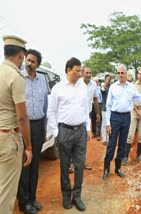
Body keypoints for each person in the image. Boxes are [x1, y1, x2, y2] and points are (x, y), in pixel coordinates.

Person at [47, 57, 91, 211]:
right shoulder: (58, 88)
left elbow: (86, 109)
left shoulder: (82, 87)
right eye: (77, 71)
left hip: (80, 132)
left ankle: (77, 196)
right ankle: (66, 196)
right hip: (64, 131)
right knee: (65, 166)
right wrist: (57, 132)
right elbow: (51, 111)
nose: (80, 74)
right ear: (68, 70)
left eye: (80, 71)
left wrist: (87, 128)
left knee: (79, 165)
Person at [102, 64, 141, 180]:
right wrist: (107, 124)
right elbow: (108, 106)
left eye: (122, 73)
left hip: (126, 117)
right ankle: (106, 169)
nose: (120, 75)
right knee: (112, 143)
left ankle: (118, 168)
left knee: (122, 143)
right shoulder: (113, 87)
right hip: (115, 118)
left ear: (126, 74)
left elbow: (140, 99)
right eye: (119, 73)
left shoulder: (131, 87)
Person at [0, 35, 32, 214]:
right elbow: (21, 118)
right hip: (8, 138)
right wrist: (28, 146)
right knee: (6, 193)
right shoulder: (15, 76)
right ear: (21, 54)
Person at [17, 49, 48, 214]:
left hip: (38, 126)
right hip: (23, 127)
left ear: (38, 64)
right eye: (28, 60)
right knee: (24, 165)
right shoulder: (19, 78)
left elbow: (45, 105)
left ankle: (32, 198)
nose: (29, 64)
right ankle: (23, 203)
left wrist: (44, 127)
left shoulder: (42, 80)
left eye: (33, 61)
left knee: (35, 165)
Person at [123, 67, 141, 165]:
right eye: (140, 73)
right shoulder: (132, 86)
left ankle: (138, 155)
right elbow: (130, 100)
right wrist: (137, 111)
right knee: (130, 134)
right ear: (137, 75)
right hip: (134, 111)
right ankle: (125, 157)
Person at [81, 66, 100, 170]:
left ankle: (83, 162)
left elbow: (95, 99)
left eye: (90, 73)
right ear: (82, 73)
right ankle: (71, 164)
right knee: (74, 140)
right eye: (86, 73)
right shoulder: (78, 83)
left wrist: (97, 113)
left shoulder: (94, 85)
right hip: (77, 116)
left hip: (87, 116)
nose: (88, 75)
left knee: (84, 140)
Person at [100, 74, 112, 145]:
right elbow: (103, 89)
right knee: (104, 124)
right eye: (107, 79)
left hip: (111, 109)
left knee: (110, 124)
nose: (108, 81)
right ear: (105, 80)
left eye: (109, 79)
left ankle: (109, 138)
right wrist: (107, 82)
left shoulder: (112, 87)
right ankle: (104, 139)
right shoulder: (103, 87)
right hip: (104, 109)